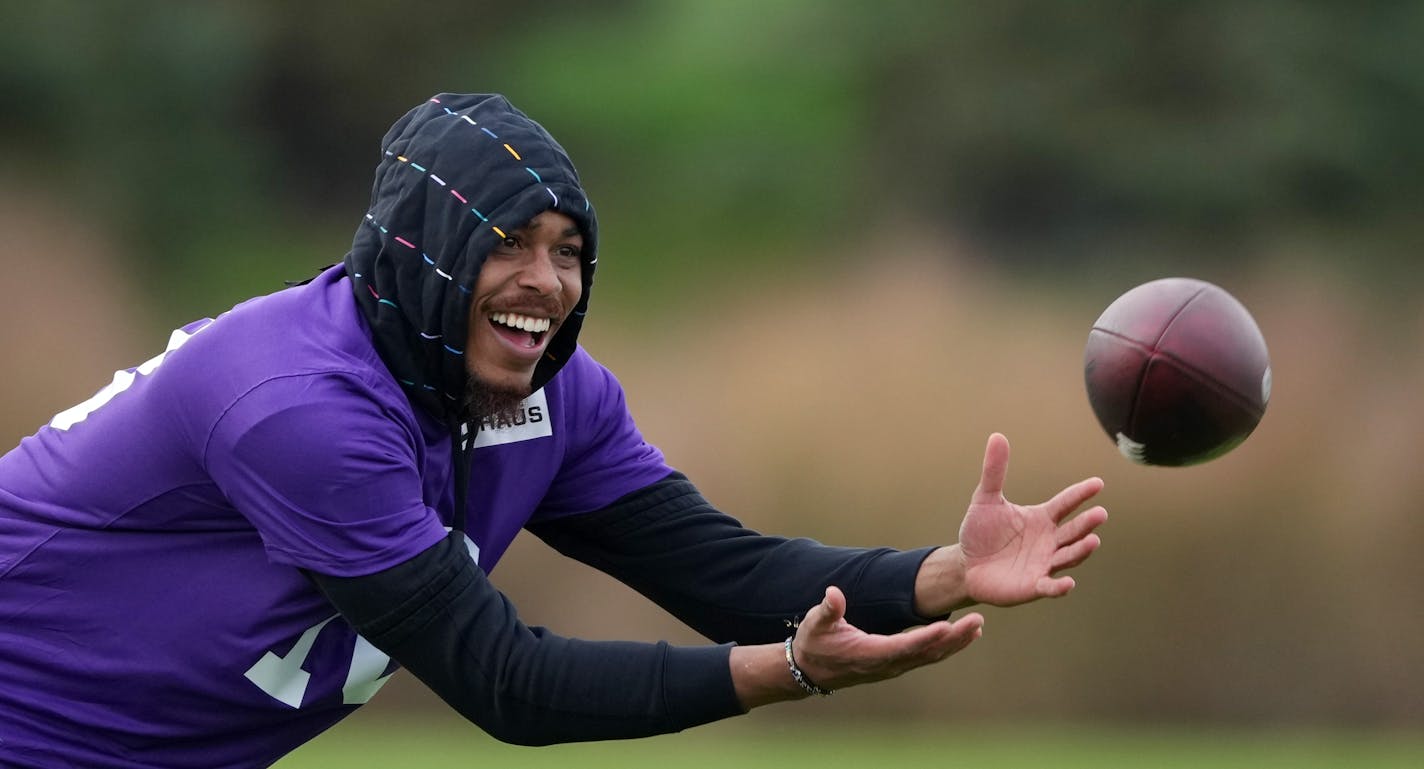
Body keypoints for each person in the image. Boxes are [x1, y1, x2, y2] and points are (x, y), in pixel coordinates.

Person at [0, 93, 1108, 768]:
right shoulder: (300, 410)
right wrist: (780, 674)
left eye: (568, 249)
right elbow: (505, 684)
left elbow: (718, 570)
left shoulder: (547, 393)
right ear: (417, 249)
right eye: (507, 243)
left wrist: (940, 573)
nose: (546, 283)